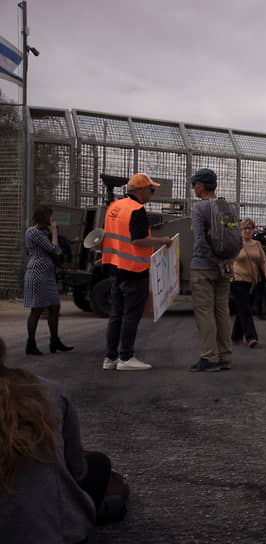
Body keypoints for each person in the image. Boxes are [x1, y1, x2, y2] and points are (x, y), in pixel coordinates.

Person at [0, 336, 110, 543]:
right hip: (56, 532)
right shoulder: (49, 390)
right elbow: (78, 471)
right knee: (98, 464)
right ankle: (99, 509)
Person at [102, 173, 172, 371]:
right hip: (134, 270)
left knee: (116, 314)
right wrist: (162, 240)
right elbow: (138, 240)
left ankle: (110, 358)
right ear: (140, 190)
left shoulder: (114, 207)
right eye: (151, 189)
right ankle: (126, 357)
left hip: (115, 268)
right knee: (131, 316)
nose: (152, 193)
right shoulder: (137, 210)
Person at [189, 168, 241, 372]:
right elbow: (238, 240)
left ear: (201, 186)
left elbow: (201, 241)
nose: (193, 187)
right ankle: (224, 356)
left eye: (194, 184)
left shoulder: (198, 208)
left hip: (203, 267)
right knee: (222, 311)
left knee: (204, 312)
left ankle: (209, 357)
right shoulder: (227, 206)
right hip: (224, 268)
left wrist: (214, 260)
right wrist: (228, 261)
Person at [23, 205, 73, 356]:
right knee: (37, 309)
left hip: (47, 274)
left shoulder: (41, 233)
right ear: (44, 217)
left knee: (54, 307)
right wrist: (54, 233)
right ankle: (30, 344)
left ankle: (55, 341)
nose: (52, 220)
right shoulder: (33, 232)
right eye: (50, 217)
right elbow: (54, 250)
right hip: (37, 273)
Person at [231, 218, 266, 348]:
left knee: (243, 309)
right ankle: (251, 337)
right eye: (245, 228)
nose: (248, 230)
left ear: (254, 229)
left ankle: (236, 337)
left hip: (253, 282)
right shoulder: (235, 244)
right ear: (240, 230)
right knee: (246, 309)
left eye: (250, 228)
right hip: (237, 280)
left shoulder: (257, 244)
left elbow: (263, 261)